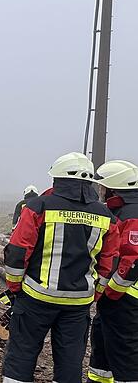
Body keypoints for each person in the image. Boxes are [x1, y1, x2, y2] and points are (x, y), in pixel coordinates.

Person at [1, 152, 120, 383]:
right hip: (78, 304)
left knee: (22, 355)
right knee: (70, 361)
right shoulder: (106, 215)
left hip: (36, 298)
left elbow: (17, 251)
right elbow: (109, 262)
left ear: (57, 179)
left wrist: (15, 288)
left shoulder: (38, 206)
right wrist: (95, 293)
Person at [87, 160, 138, 383]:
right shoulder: (121, 210)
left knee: (125, 355)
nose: (101, 192)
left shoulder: (132, 213)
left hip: (127, 299)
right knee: (102, 343)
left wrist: (112, 291)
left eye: (103, 187)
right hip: (116, 300)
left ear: (113, 187)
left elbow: (132, 260)